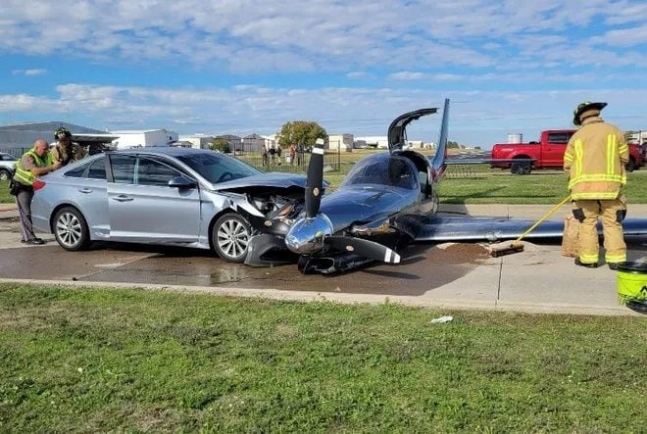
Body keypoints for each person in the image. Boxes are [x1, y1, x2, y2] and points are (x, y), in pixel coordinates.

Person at [563, 101, 628, 270]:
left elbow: (567, 165)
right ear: (598, 114)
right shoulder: (614, 131)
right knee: (612, 223)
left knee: (587, 224)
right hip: (611, 190)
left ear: (580, 118)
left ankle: (589, 259)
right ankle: (617, 260)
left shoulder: (577, 137)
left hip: (583, 191)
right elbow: (625, 157)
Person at [11, 139, 62, 245]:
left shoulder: (44, 156)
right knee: (26, 212)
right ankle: (28, 237)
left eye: (48, 148)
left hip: (33, 187)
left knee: (32, 212)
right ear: (36, 148)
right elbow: (35, 171)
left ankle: (26, 235)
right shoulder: (28, 157)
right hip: (22, 187)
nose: (47, 150)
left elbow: (50, 167)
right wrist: (53, 167)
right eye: (44, 149)